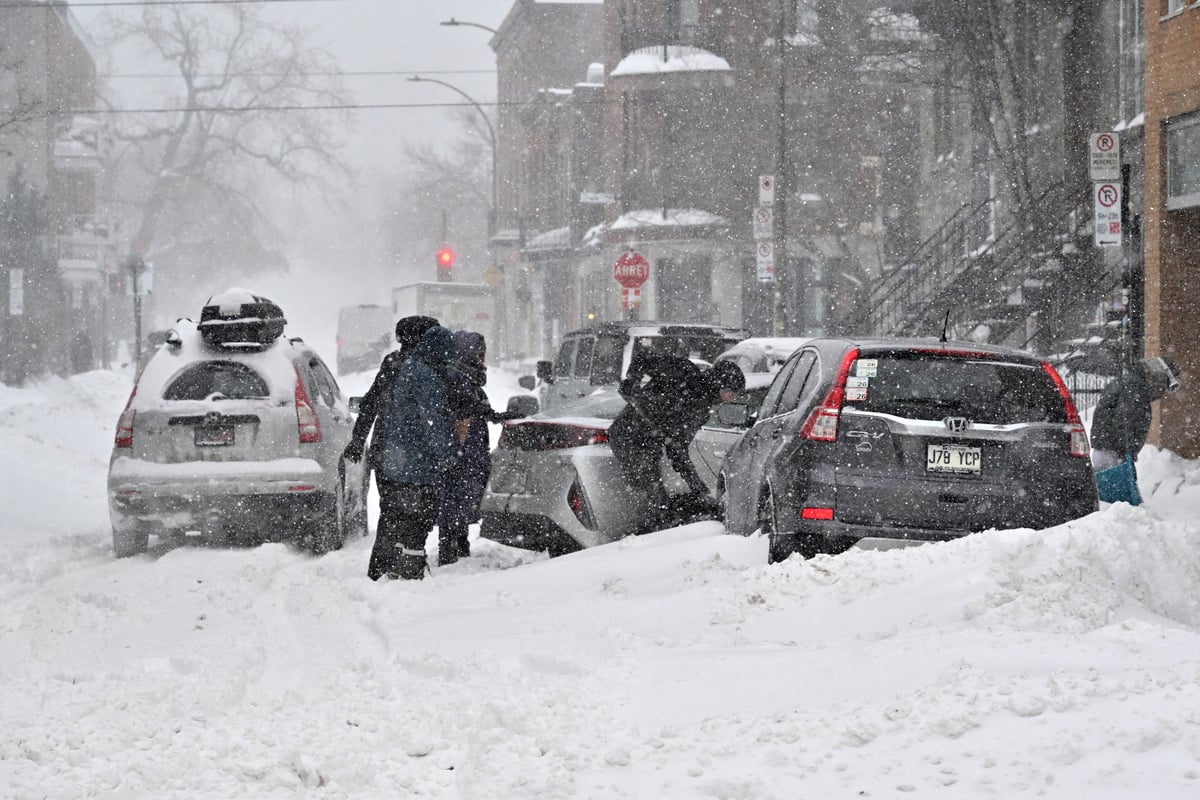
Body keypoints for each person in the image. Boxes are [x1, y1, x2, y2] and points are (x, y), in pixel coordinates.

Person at [343, 316, 458, 580]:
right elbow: (438, 413)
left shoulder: (393, 363)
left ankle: (383, 567)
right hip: (413, 454)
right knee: (416, 513)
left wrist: (359, 439)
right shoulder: (426, 369)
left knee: (392, 511)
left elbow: (370, 403)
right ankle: (405, 566)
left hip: (385, 452)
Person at [607, 350, 746, 533]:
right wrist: (633, 381)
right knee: (651, 492)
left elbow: (677, 449)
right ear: (718, 383)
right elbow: (642, 359)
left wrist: (697, 485)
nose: (731, 398)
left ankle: (652, 534)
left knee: (657, 497)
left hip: (650, 444)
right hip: (628, 435)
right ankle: (636, 539)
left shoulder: (699, 410)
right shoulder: (683, 371)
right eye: (730, 392)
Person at [436, 331, 523, 565]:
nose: (482, 360)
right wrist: (493, 415)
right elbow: (467, 407)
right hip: (460, 447)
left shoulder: (466, 376)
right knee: (454, 493)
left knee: (461, 493)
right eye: (479, 354)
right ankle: (450, 544)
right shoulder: (457, 377)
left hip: (467, 448)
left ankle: (458, 540)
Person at [1090, 356, 1181, 503]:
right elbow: (1127, 421)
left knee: (1111, 500)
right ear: (1157, 376)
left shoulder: (1131, 382)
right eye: (1163, 385)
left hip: (1109, 447)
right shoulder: (1134, 388)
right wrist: (1125, 451)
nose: (1162, 391)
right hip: (1113, 451)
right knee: (1114, 502)